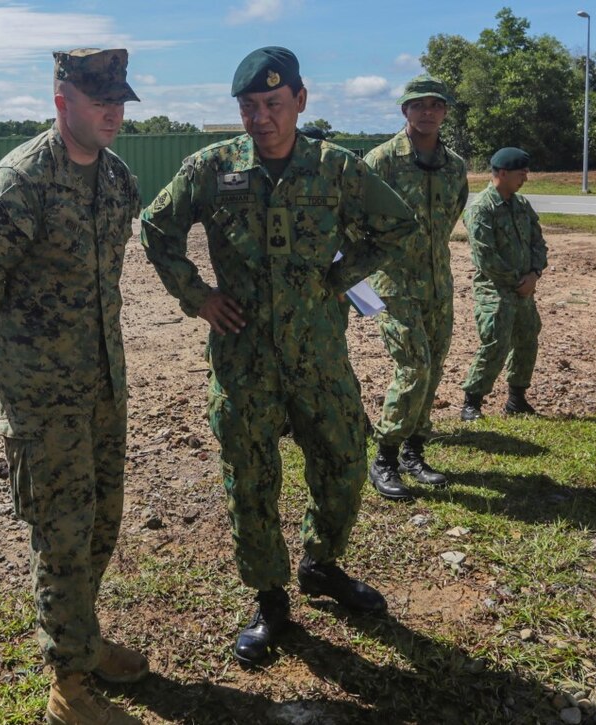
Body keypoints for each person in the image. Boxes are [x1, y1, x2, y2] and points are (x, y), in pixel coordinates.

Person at [141, 46, 417, 666]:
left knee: (345, 461)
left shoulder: (336, 168)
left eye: (272, 103)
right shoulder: (211, 167)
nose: (260, 118)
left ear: (299, 99)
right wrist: (199, 296)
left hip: (319, 355)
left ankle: (321, 564)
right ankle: (270, 599)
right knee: (251, 478)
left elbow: (398, 227)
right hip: (244, 361)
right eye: (248, 106)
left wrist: (342, 274)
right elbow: (157, 228)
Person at [0, 48, 146, 724]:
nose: (113, 111)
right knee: (61, 536)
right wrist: (28, 359)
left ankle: (81, 640)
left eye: (119, 99)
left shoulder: (118, 180)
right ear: (63, 100)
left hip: (103, 387)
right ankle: (69, 685)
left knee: (101, 523)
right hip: (42, 399)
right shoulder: (22, 181)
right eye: (100, 100)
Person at [363, 75, 468, 501]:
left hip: (438, 282)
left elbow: (453, 214)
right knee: (415, 365)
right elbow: (354, 217)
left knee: (436, 363)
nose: (427, 111)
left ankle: (414, 451)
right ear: (404, 111)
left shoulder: (455, 165)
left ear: (444, 112)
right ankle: (385, 456)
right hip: (394, 283)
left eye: (436, 105)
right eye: (418, 105)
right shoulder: (380, 161)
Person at [460, 147, 548, 420]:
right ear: (501, 173)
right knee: (495, 343)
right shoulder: (481, 208)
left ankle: (516, 400)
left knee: (526, 340)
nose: (525, 178)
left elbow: (538, 242)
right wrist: (516, 281)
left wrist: (534, 274)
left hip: (524, 287)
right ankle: (471, 403)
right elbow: (486, 256)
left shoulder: (521, 205)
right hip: (495, 289)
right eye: (520, 173)